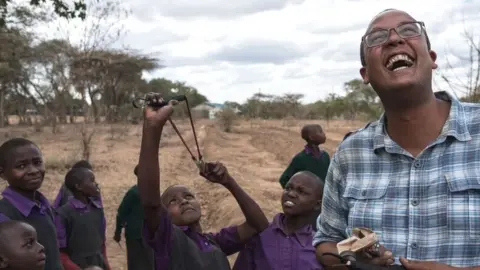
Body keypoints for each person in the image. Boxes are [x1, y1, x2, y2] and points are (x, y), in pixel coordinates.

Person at [314, 8, 480, 270]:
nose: (394, 39)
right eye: (377, 37)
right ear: (365, 74)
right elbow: (328, 239)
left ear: (432, 58)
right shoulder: (350, 154)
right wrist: (351, 260)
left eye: (409, 30)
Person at [137, 94, 269, 270]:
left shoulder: (213, 242)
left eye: (188, 196)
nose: (184, 201)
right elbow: (151, 203)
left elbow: (258, 225)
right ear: (164, 216)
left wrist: (228, 182)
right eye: (172, 201)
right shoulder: (167, 240)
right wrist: (152, 128)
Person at [233, 171, 324, 270]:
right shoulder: (259, 235)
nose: (291, 194)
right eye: (288, 188)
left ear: (317, 205)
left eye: (301, 191)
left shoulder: (319, 247)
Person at [0, 138, 63, 270]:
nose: (34, 170)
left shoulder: (44, 206)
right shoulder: (4, 216)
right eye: (21, 166)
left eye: (37, 162)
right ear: (2, 172)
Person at [55, 167, 110, 270]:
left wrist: (106, 265)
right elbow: (60, 252)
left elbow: (101, 245)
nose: (96, 184)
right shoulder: (63, 214)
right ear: (78, 187)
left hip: (99, 264)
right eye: (92, 181)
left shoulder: (97, 209)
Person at [114, 165, 153, 270]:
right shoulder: (133, 193)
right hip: (135, 236)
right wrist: (117, 232)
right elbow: (121, 213)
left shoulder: (153, 191)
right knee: (136, 263)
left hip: (149, 234)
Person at [279, 124, 330, 189]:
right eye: (320, 132)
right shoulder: (301, 158)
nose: (324, 134)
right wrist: (297, 193)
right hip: (308, 198)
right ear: (311, 137)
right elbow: (284, 179)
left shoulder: (325, 156)